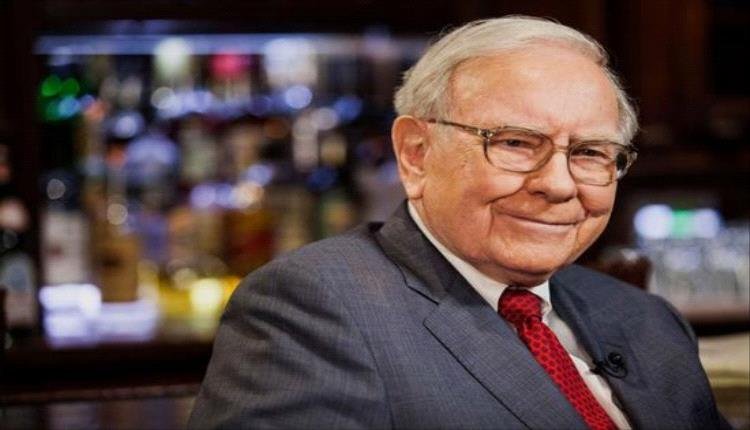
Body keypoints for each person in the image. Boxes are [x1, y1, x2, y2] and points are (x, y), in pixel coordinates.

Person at [189, 16, 730, 429]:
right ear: (416, 154)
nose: (559, 184)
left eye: (590, 152)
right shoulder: (312, 307)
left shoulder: (647, 319)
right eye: (516, 143)